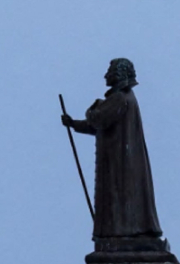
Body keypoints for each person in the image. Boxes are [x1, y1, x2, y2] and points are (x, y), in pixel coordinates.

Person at [61, 58, 162, 240]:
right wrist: (73, 124)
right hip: (120, 159)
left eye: (110, 71)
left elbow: (98, 119)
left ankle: (122, 232)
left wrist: (93, 108)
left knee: (120, 196)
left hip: (120, 162)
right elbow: (100, 126)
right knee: (121, 197)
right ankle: (121, 230)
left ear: (118, 75)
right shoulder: (125, 97)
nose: (106, 75)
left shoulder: (119, 98)